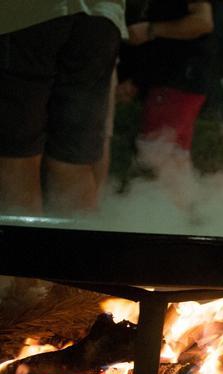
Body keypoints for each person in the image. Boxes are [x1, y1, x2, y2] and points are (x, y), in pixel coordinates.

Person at [0, 1, 126, 215]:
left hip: (24, 14)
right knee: (73, 161)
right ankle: (78, 248)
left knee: (16, 157)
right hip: (102, 17)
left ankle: (22, 248)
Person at [123, 0, 214, 156]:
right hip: (167, 82)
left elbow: (203, 22)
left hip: (177, 81)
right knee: (167, 155)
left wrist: (151, 30)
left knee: (157, 155)